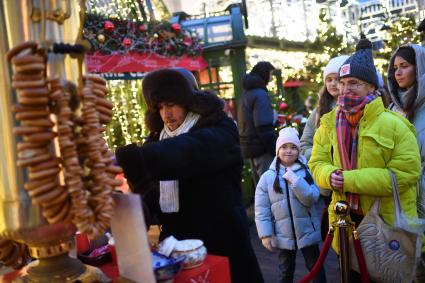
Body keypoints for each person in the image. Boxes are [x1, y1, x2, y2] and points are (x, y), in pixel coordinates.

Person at [115, 68, 264, 283]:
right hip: (178, 245)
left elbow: (188, 151)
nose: (166, 114)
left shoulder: (220, 129)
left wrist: (130, 158)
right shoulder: (158, 138)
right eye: (160, 107)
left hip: (221, 240)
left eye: (172, 104)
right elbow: (151, 190)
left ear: (188, 101)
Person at [309, 38, 421, 280]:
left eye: (354, 83)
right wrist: (328, 175)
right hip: (344, 223)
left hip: (387, 227)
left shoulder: (396, 125)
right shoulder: (328, 124)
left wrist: (348, 179)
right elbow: (316, 163)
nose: (346, 88)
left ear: (371, 87)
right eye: (342, 82)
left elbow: (405, 174)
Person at [255, 127, 326, 283]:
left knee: (315, 268)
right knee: (285, 271)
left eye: (293, 147)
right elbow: (262, 208)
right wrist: (265, 234)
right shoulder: (268, 177)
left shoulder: (306, 172)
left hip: (307, 230)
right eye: (284, 147)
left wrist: (296, 181)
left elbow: (312, 197)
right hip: (283, 234)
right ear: (277, 150)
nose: (288, 151)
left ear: (299, 151)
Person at [387, 44, 425, 283]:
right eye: (395, 68)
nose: (398, 73)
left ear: (419, 68)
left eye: (404, 66)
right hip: (402, 195)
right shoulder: (393, 108)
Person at [300, 55, 349, 162]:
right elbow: (304, 145)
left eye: (337, 79)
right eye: (329, 80)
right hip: (323, 171)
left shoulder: (355, 107)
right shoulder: (319, 110)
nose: (332, 83)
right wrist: (322, 155)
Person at [238, 61, 277, 185]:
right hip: (262, 148)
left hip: (250, 146)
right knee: (270, 188)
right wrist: (274, 148)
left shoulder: (247, 93)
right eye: (270, 74)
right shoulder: (260, 94)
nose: (271, 78)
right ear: (264, 74)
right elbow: (263, 126)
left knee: (260, 190)